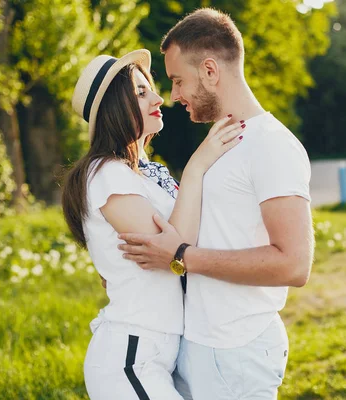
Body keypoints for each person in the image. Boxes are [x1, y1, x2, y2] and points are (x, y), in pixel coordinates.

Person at [117, 9, 315, 400]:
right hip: (201, 343)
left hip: (236, 348)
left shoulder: (271, 145)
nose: (172, 96)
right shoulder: (221, 145)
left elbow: (294, 264)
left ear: (210, 70)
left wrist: (181, 256)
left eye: (177, 81)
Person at [61, 48, 244, 400]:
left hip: (160, 349)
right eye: (141, 93)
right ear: (116, 109)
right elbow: (174, 250)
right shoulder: (106, 174)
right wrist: (197, 166)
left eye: (151, 88)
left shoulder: (144, 174)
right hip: (131, 354)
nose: (158, 98)